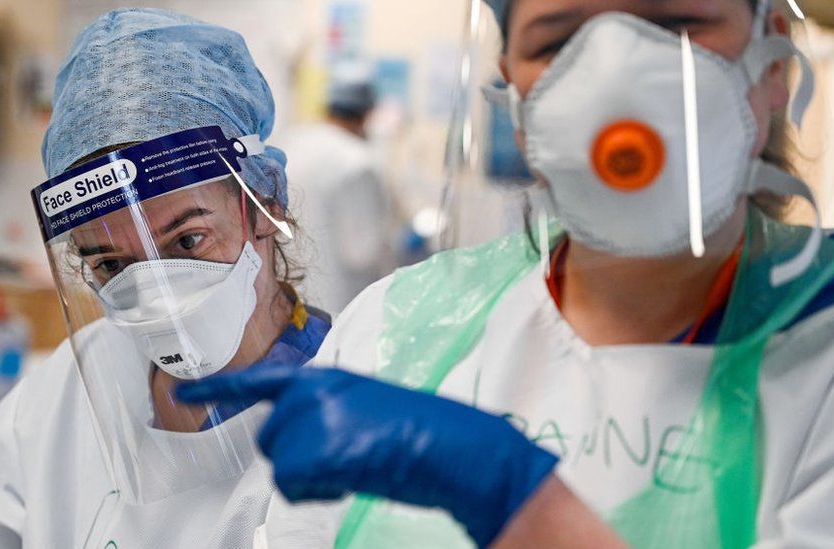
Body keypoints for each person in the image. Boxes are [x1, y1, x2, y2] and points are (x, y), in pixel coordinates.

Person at [180, 0, 834, 547]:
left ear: (773, 58)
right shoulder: (396, 330)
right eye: (562, 41)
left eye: (672, 23)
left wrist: (518, 497)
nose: (616, 81)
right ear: (514, 95)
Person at [0, 9, 330, 548]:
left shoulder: (349, 401)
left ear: (263, 204)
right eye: (111, 265)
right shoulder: (76, 380)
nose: (157, 292)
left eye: (187, 240)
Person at [277, 63, 392, 314]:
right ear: (367, 113)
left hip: (289, 302)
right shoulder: (357, 161)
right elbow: (363, 252)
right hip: (338, 308)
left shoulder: (292, 145)